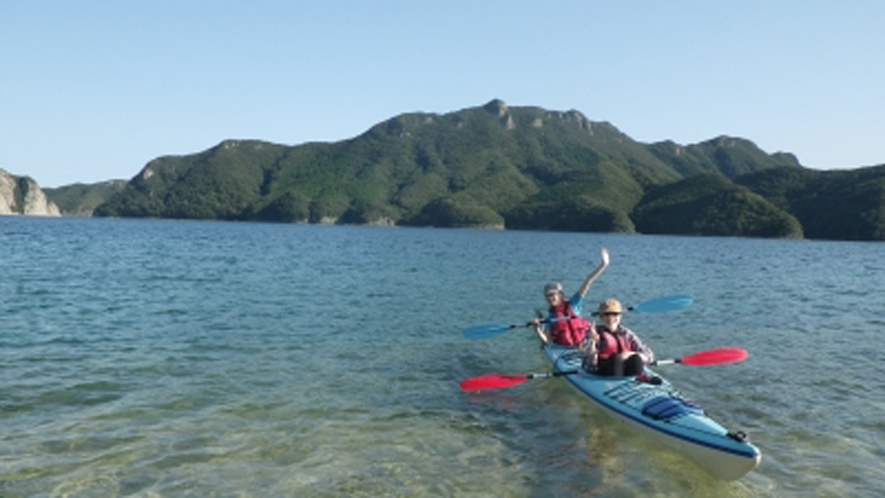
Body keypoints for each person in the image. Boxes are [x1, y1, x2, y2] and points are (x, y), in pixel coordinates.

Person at [532, 248, 610, 348]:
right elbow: (547, 341)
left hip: (584, 345)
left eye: (552, 295)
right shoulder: (550, 318)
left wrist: (603, 265)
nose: (550, 298)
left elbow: (588, 281)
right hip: (566, 349)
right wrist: (537, 330)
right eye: (547, 296)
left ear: (560, 295)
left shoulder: (574, 303)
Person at [585, 298, 656, 377]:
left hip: (626, 372)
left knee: (635, 358)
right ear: (601, 317)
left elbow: (649, 355)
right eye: (607, 314)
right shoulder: (594, 333)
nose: (610, 318)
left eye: (614, 314)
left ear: (620, 316)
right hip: (604, 372)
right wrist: (593, 344)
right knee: (616, 359)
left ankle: (640, 381)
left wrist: (630, 354)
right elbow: (590, 367)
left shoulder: (626, 333)